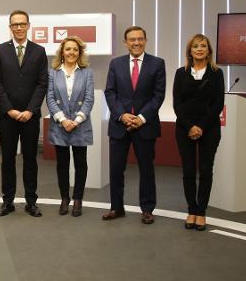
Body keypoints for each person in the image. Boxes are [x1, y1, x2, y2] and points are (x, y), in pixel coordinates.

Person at [103, 26, 166, 225]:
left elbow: (158, 95)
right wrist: (122, 115)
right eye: (132, 39)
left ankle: (147, 209)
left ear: (145, 40)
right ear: (125, 42)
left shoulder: (157, 63)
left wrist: (141, 117)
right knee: (116, 169)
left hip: (145, 126)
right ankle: (116, 207)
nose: (136, 42)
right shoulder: (116, 64)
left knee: (146, 169)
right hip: (120, 125)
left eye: (140, 39)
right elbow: (110, 93)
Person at [0, 10, 49, 217]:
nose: (18, 27)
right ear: (10, 27)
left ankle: (31, 201)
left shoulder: (39, 51)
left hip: (30, 116)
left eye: (22, 24)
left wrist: (30, 110)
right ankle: (8, 202)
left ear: (28, 25)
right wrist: (10, 109)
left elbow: (43, 83)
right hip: (7, 115)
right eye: (14, 24)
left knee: (30, 159)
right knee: (7, 159)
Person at [173, 34, 224, 231]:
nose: (200, 49)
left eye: (203, 46)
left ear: (208, 50)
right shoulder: (180, 73)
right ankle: (191, 210)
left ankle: (201, 212)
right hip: (184, 128)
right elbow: (177, 104)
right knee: (187, 170)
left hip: (209, 128)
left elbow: (218, 104)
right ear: (190, 51)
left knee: (205, 170)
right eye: (196, 46)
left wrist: (201, 126)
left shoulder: (217, 73)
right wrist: (189, 126)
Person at [46, 36, 94, 217]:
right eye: (68, 49)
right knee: (62, 164)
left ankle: (78, 199)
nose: (71, 52)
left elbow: (89, 98)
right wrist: (62, 119)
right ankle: (64, 198)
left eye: (75, 49)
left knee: (81, 163)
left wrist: (78, 119)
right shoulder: (53, 72)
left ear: (79, 52)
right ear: (62, 52)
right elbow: (50, 97)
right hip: (60, 124)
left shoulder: (87, 72)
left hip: (80, 124)